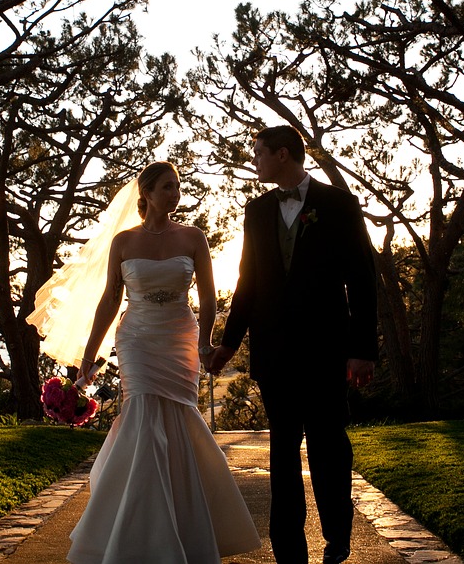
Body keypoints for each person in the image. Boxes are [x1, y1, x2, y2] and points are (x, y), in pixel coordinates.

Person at [29, 161, 260, 564]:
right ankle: (139, 532)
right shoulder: (123, 241)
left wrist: (206, 343)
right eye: (168, 188)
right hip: (136, 338)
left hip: (179, 337)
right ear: (148, 193)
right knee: (142, 418)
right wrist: (89, 355)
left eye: (178, 188)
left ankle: (183, 528)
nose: (176, 194)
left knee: (179, 419)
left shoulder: (194, 238)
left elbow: (207, 297)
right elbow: (108, 300)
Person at [206, 126, 378, 564]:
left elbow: (360, 278)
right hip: (274, 351)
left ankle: (338, 539)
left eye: (260, 153)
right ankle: (288, 550)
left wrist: (362, 349)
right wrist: (229, 343)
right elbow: (248, 281)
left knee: (328, 446)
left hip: (326, 349)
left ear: (283, 154)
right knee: (282, 451)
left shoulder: (338, 204)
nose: (256, 161)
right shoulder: (256, 210)